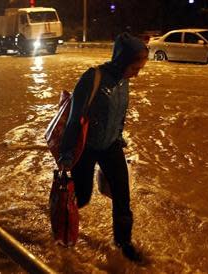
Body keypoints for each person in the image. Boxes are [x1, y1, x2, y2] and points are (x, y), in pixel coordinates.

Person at [58, 33, 148, 262]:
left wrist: (118, 136)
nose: (137, 73)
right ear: (122, 60)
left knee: (122, 196)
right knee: (83, 197)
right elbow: (74, 118)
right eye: (135, 67)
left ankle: (123, 242)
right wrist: (66, 154)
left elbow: (120, 113)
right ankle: (63, 226)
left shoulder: (123, 81)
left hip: (110, 146)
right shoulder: (93, 78)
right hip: (85, 148)